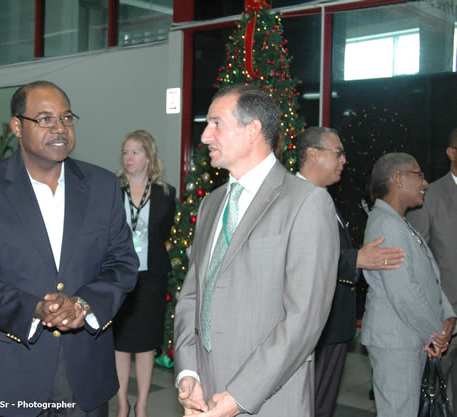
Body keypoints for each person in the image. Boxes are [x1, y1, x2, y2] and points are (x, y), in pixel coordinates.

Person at [0, 80, 139, 417]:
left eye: (67, 118)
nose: (60, 128)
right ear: (16, 126)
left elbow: (122, 263)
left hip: (85, 373)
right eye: (45, 119)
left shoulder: (102, 186)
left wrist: (83, 303)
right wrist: (35, 309)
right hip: (13, 372)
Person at [173, 85, 339, 417]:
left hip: (270, 399)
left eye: (216, 123)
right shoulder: (211, 204)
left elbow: (303, 319)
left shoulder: (305, 202)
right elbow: (192, 295)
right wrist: (189, 372)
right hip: (204, 393)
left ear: (252, 131)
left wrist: (239, 395)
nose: (205, 136)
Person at [295, 126, 405, 417]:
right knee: (311, 405)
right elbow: (303, 259)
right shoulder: (297, 199)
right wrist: (356, 259)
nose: (344, 160)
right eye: (338, 152)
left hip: (331, 324)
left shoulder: (321, 197)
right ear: (311, 154)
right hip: (317, 326)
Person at [361, 152, 456, 417]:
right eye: (419, 175)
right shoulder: (386, 226)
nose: (425, 183)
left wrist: (449, 316)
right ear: (398, 179)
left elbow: (432, 278)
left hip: (412, 338)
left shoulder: (400, 223)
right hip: (397, 345)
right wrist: (437, 332)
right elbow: (404, 293)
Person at [112, 129, 176, 417]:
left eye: (135, 152)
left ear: (148, 157)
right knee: (121, 342)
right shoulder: (113, 190)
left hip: (151, 278)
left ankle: (143, 406)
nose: (128, 158)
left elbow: (162, 235)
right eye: (125, 152)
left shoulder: (165, 193)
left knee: (147, 344)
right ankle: (123, 402)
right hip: (120, 276)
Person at [407, 128, 457, 401]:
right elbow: (419, 260)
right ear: (451, 153)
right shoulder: (430, 197)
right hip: (443, 321)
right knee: (433, 398)